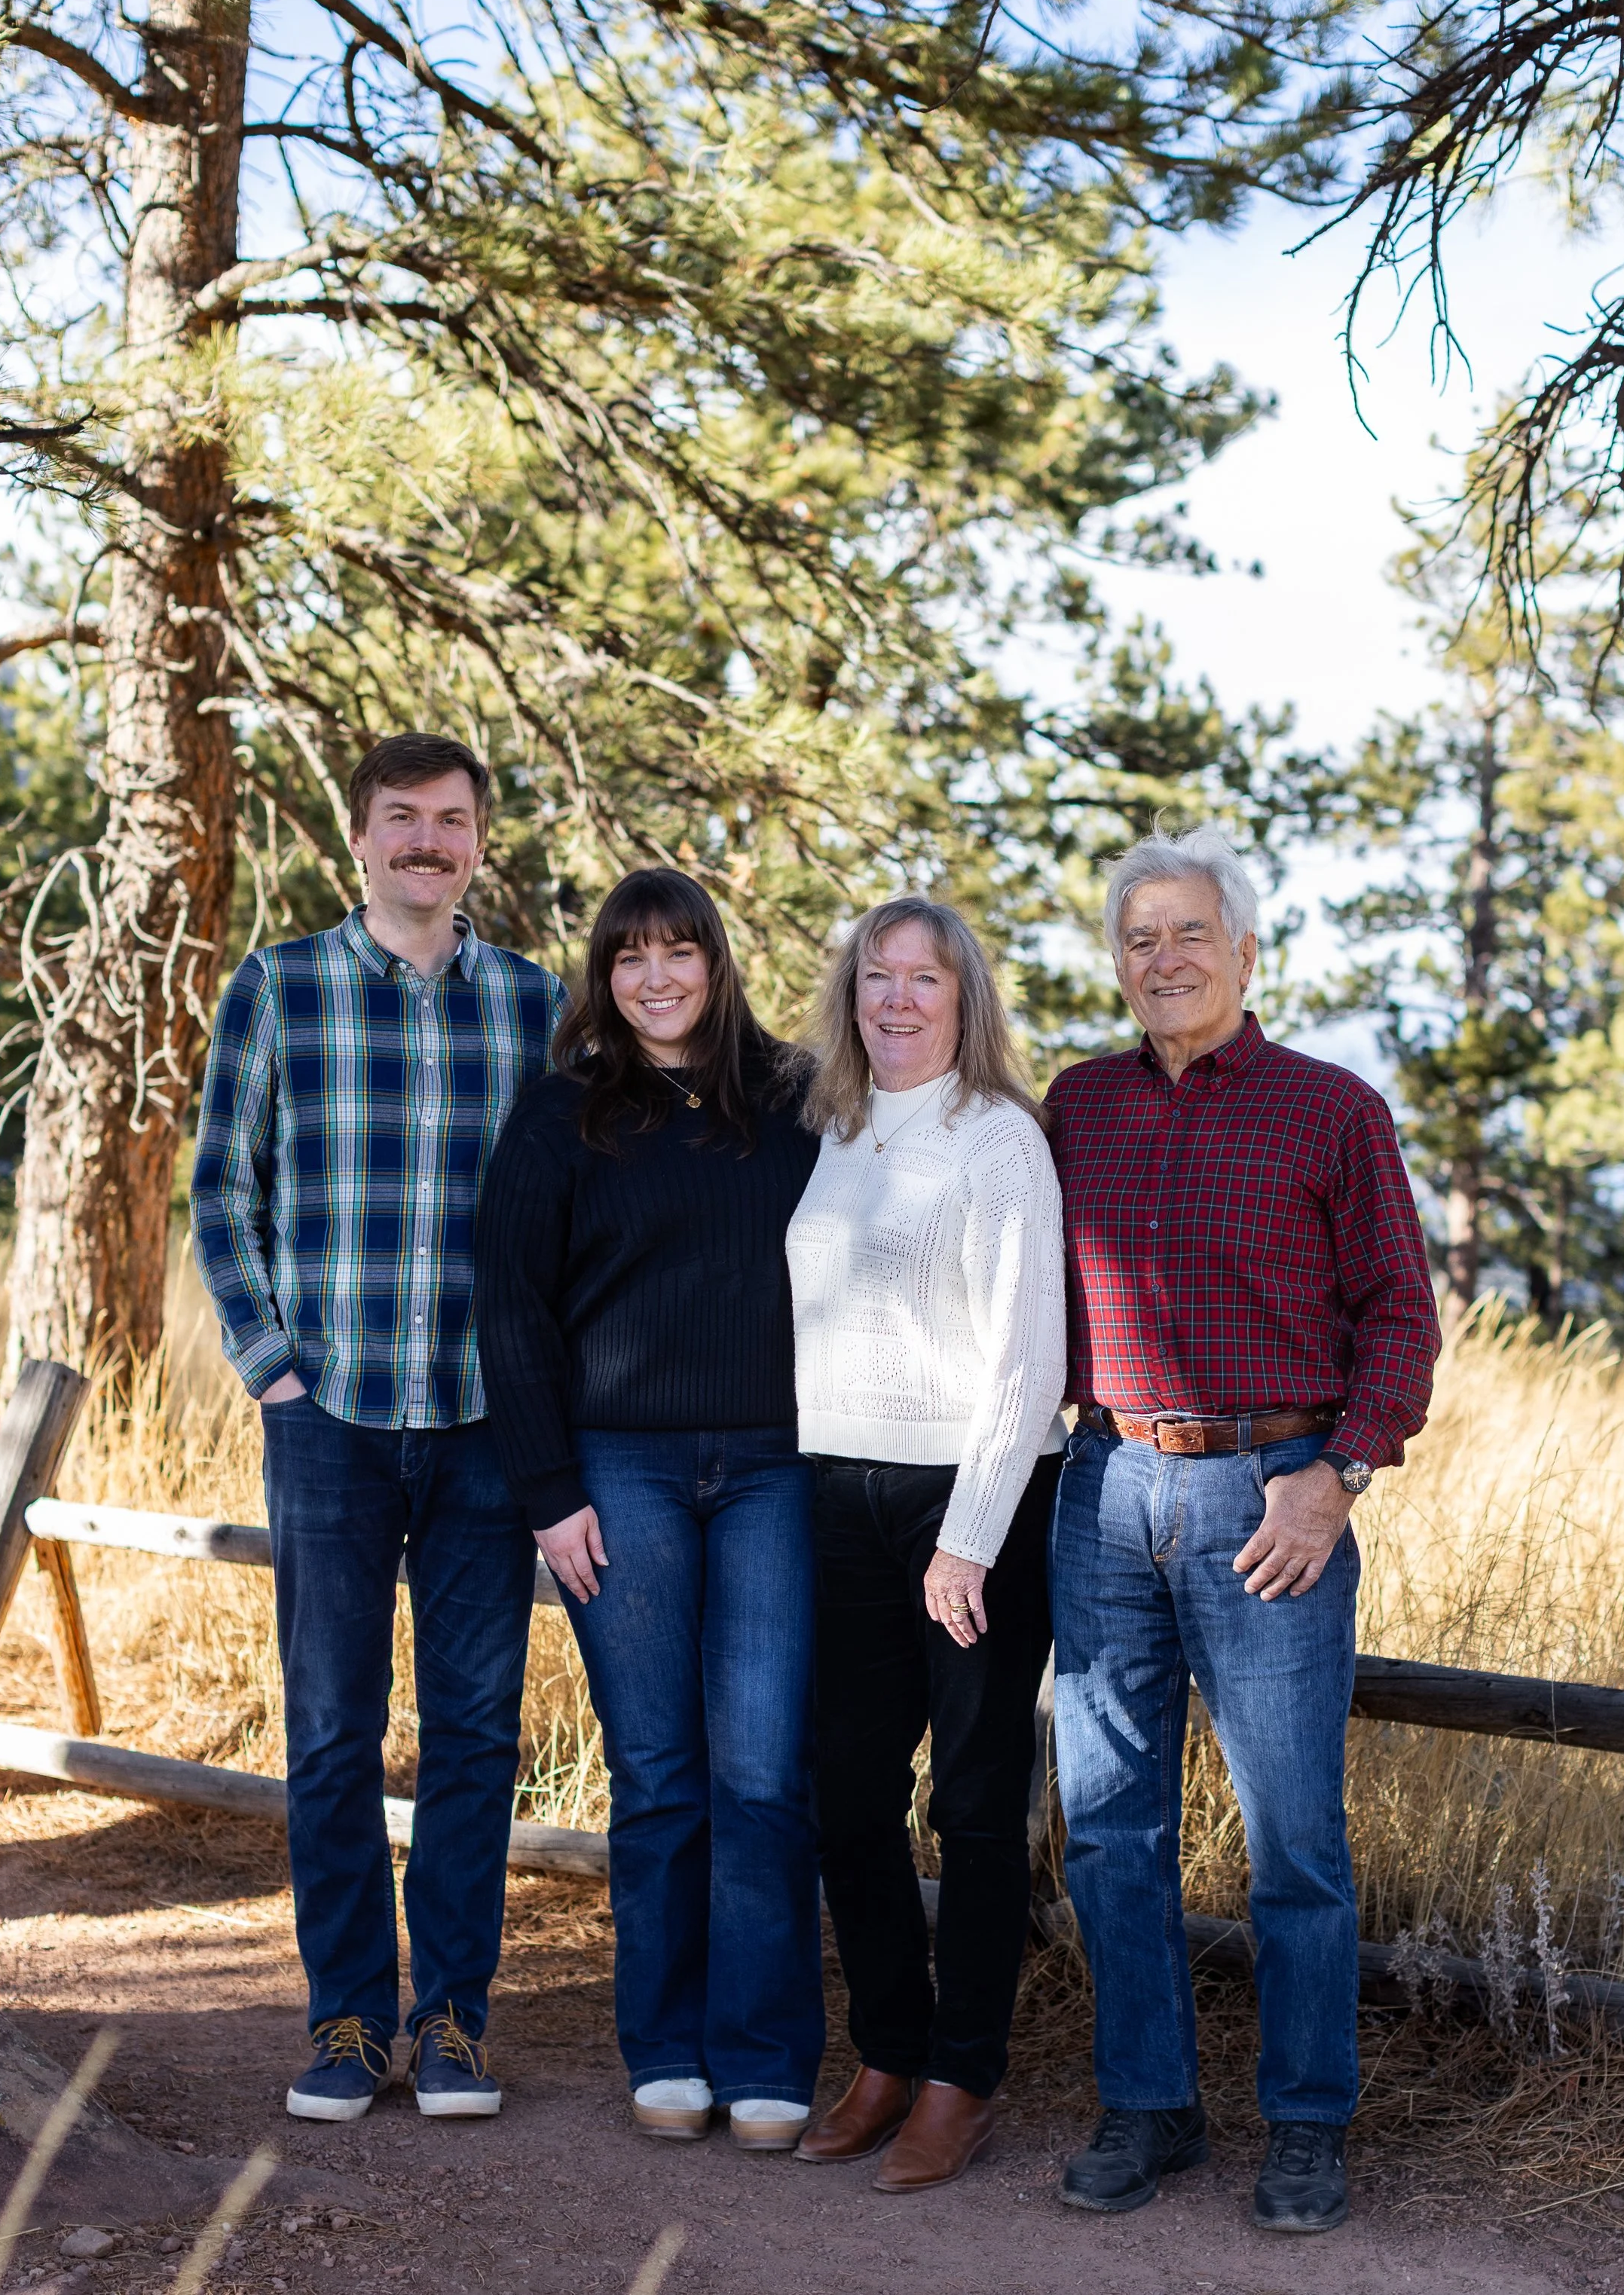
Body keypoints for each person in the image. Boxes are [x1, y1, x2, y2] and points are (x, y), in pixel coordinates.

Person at [1045, 822, 1440, 2234]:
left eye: (1189, 934)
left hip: (1270, 1501)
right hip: (1099, 1494)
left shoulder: (1329, 1109)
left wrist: (1336, 1474)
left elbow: (1400, 1317)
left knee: (1293, 1841)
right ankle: (1148, 2108)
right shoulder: (1074, 1105)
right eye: (1139, 937)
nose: (1163, 958)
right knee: (1106, 1832)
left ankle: (1307, 2124)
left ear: (1246, 953)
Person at [189, 732, 564, 2123]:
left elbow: (579, 1206)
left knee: (474, 1732)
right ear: (359, 840)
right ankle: (345, 2020)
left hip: (482, 1425)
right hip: (329, 1418)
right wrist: (273, 1366)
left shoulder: (534, 1007)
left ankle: (454, 2021)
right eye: (400, 819)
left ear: (478, 843)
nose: (425, 841)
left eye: (450, 821)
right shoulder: (279, 986)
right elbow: (222, 1190)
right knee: (335, 1732)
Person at [474, 868, 824, 2151]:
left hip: (778, 1474)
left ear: (716, 964)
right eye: (630, 959)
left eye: (679, 953)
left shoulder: (795, 1097)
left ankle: (769, 2054)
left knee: (761, 1774)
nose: (657, 978)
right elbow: (508, 1306)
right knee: (661, 1775)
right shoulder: (562, 1112)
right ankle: (667, 2047)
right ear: (603, 977)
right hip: (616, 1474)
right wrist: (548, 1494)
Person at [785, 898, 1067, 2192]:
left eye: (927, 980)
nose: (898, 999)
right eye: (877, 976)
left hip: (973, 1504)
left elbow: (1027, 1363)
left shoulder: (999, 1141)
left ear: (966, 1002)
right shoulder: (831, 1130)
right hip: (836, 1494)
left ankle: (962, 2075)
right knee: (844, 1794)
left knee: (971, 1801)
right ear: (850, 995)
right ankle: (887, 2053)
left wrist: (966, 1540)